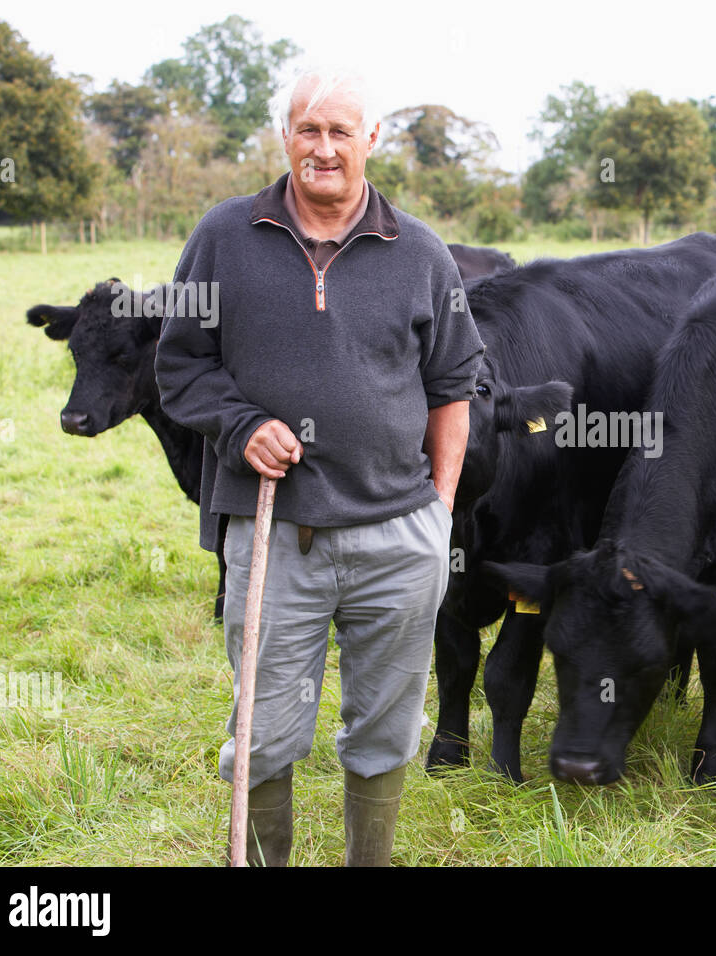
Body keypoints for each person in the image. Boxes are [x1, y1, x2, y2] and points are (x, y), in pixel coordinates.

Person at [155, 66, 483, 866]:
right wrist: (240, 427)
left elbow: (453, 388)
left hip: (396, 540)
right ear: (285, 137)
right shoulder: (225, 237)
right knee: (262, 735)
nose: (324, 148)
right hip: (274, 537)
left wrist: (437, 513)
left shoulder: (421, 253)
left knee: (383, 733)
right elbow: (180, 367)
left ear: (372, 140)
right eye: (309, 129)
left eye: (342, 131)